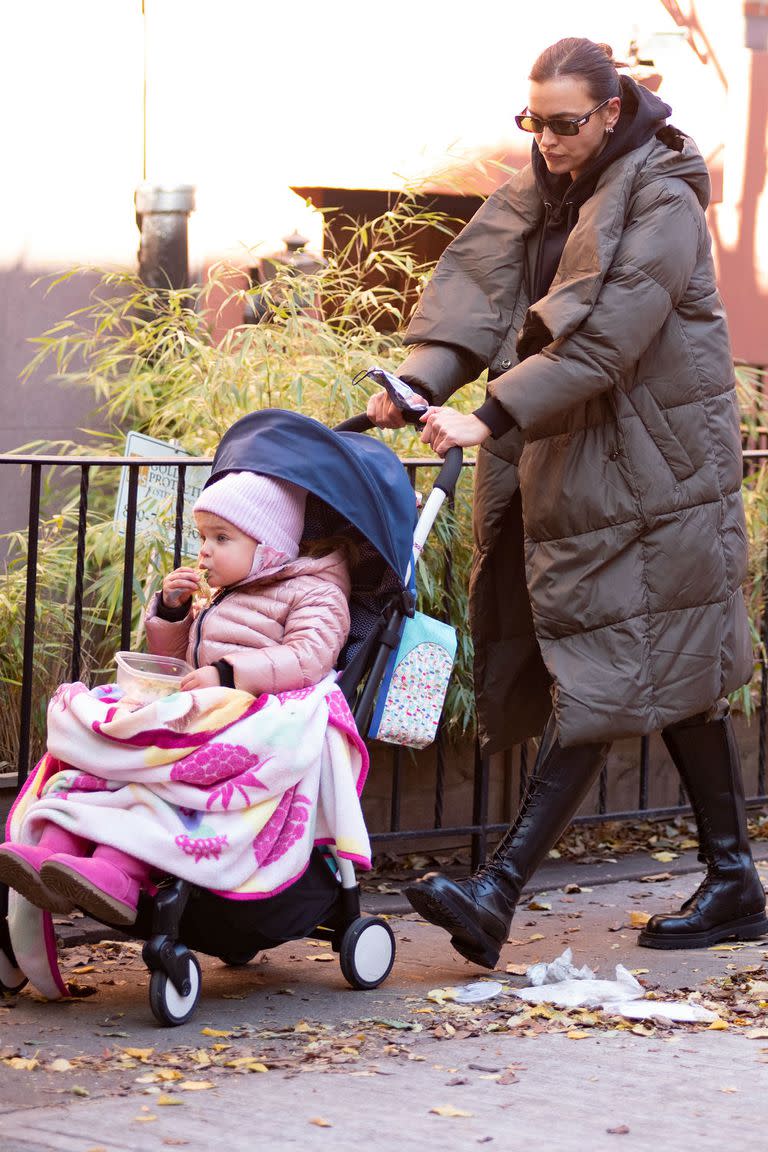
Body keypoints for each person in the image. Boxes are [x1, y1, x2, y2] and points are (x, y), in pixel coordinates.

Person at [367, 37, 767, 966]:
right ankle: (736, 876)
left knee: (606, 666)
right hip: (587, 465)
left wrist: (489, 418)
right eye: (533, 121)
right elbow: (473, 294)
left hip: (655, 473)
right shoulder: (539, 193)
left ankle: (497, 889)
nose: (544, 139)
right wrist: (417, 384)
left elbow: (605, 344)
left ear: (614, 112)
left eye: (564, 123)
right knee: (671, 675)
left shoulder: (663, 200)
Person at [0, 471, 352, 925]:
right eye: (203, 536)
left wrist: (227, 673)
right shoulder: (228, 592)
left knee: (155, 781)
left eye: (221, 538)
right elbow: (179, 665)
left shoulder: (315, 593)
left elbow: (310, 656)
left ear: (269, 548)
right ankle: (54, 851)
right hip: (200, 709)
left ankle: (119, 871)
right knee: (103, 733)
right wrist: (172, 611)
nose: (204, 549)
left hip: (247, 722)